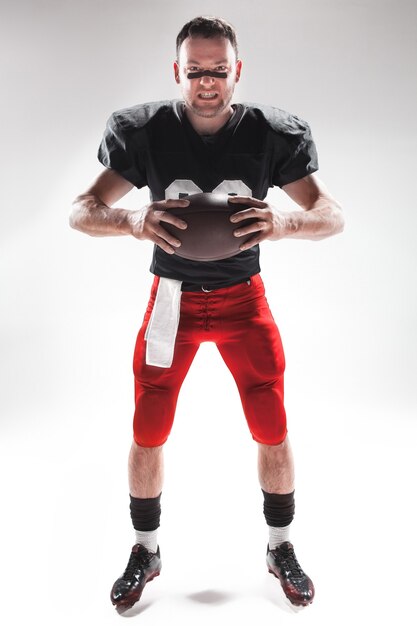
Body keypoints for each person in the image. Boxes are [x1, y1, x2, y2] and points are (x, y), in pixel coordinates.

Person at [70, 15, 344, 611]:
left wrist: (285, 221)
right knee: (149, 426)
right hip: (171, 298)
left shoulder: (272, 134)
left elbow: (332, 214)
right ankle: (146, 549)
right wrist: (129, 220)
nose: (208, 83)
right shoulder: (144, 132)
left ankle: (280, 545)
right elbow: (81, 208)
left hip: (244, 299)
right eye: (196, 71)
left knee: (271, 422)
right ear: (178, 72)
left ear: (237, 71)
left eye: (219, 71)